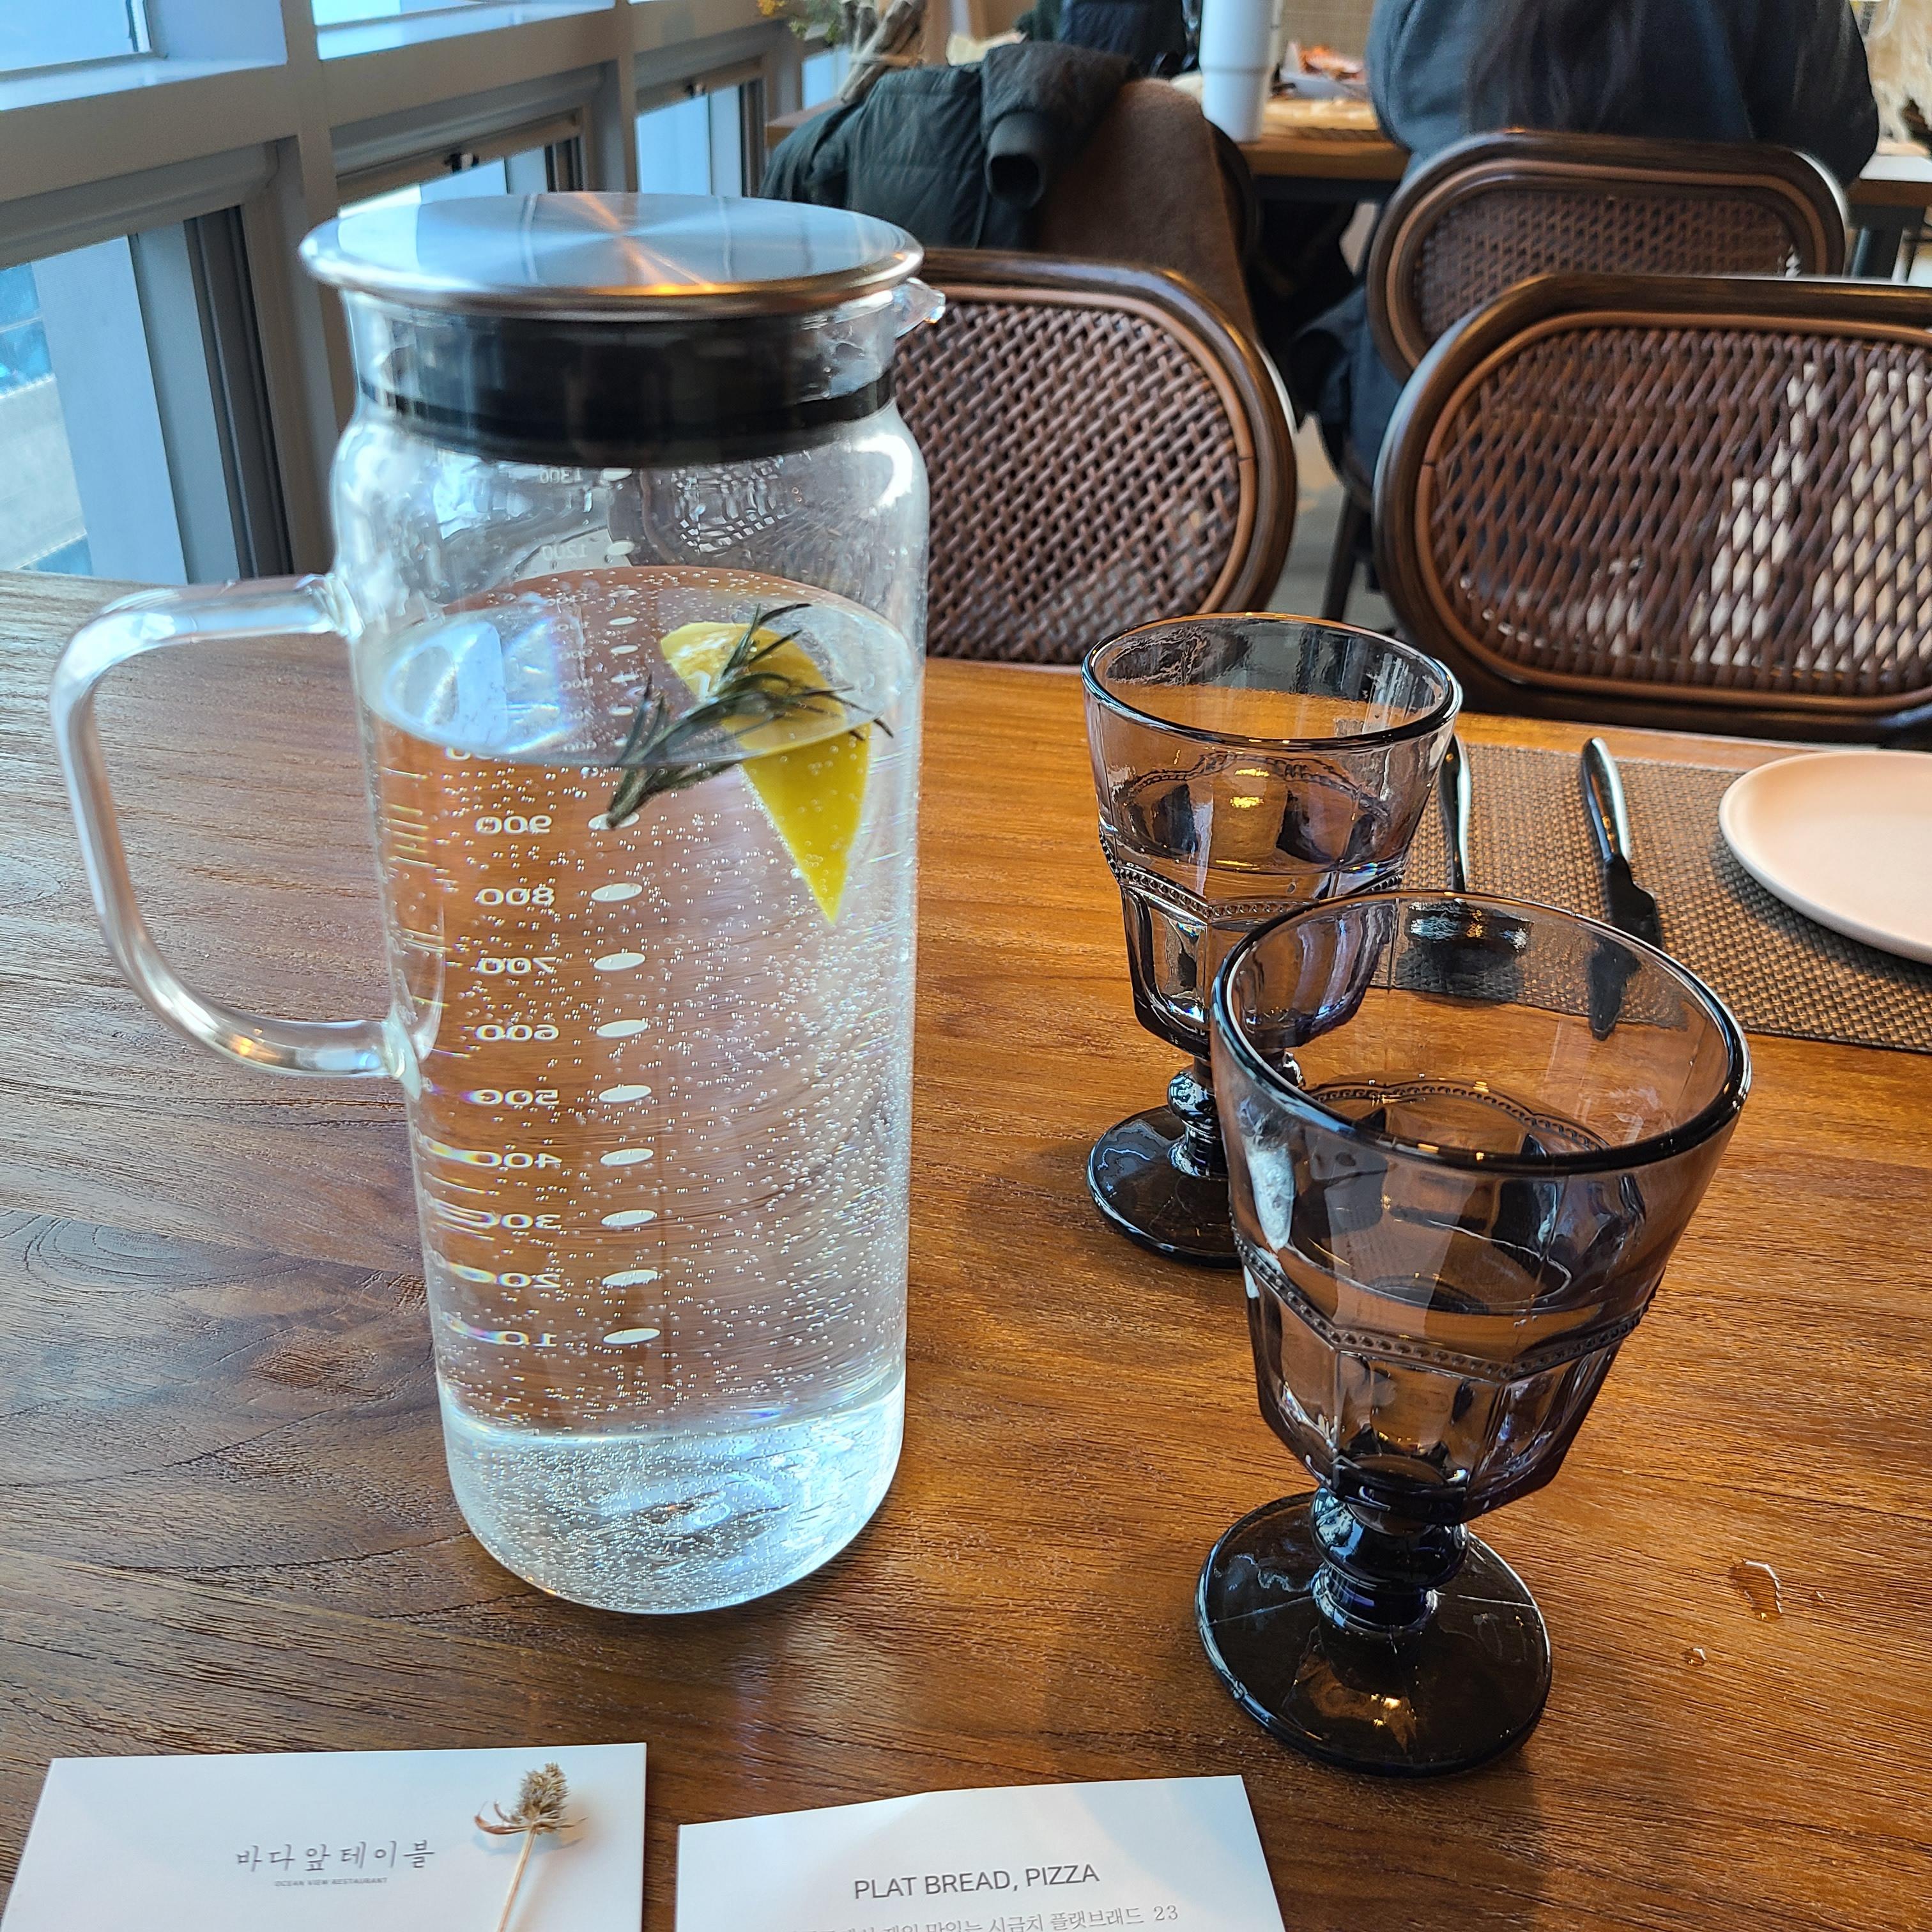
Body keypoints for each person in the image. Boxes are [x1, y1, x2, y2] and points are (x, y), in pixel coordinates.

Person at [1294, 0, 1883, 479]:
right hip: (1689, 435)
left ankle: (1413, 572)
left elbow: (1395, 109)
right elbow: (1839, 147)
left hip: (1439, 426)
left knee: (1331, 288)